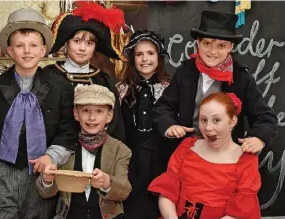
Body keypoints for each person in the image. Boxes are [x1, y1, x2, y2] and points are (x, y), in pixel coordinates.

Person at [0, 8, 78, 219]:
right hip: (3, 175)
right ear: (10, 51)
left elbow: (68, 130)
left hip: (43, 177)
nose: (27, 51)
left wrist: (51, 156)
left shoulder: (61, 88)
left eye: (33, 45)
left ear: (43, 50)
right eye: (20, 46)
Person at [153, 10, 278, 163]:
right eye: (206, 43)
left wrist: (259, 137)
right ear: (198, 43)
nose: (213, 51)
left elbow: (265, 117)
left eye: (221, 45)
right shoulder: (185, 72)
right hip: (186, 156)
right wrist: (169, 126)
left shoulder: (241, 78)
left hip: (224, 160)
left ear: (230, 47)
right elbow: (163, 107)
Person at [149, 92, 261, 219]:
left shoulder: (246, 159)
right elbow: (167, 193)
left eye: (216, 120)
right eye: (203, 120)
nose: (208, 127)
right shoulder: (187, 147)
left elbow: (241, 211)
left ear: (232, 121)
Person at [37, 84, 132, 219]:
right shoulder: (63, 147)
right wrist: (47, 180)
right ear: (76, 114)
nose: (92, 118)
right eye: (86, 110)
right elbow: (45, 193)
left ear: (109, 116)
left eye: (99, 111)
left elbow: (124, 191)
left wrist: (106, 182)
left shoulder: (120, 150)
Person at [44, 1, 126, 142]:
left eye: (89, 43)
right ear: (66, 43)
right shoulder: (48, 75)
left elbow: (115, 126)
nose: (82, 48)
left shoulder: (103, 80)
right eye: (77, 41)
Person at [116, 30, 170, 219]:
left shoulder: (170, 90)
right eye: (139, 54)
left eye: (150, 53)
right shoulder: (121, 91)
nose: (145, 59)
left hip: (160, 162)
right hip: (130, 162)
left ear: (159, 57)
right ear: (132, 58)